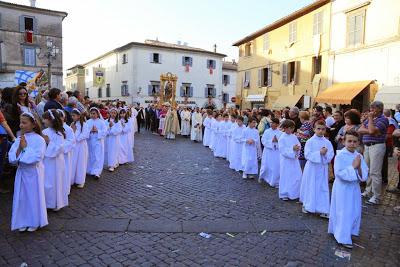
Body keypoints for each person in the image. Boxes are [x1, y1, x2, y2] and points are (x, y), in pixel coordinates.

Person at [328, 131, 368, 249]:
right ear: (343, 142)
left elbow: (364, 175)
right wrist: (353, 167)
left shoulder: (359, 156)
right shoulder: (340, 156)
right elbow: (339, 174)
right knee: (343, 211)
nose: (352, 144)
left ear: (358, 143)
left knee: (354, 210)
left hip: (354, 188)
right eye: (349, 141)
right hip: (342, 188)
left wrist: (359, 167)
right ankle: (342, 237)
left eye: (355, 141)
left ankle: (347, 230)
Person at [9, 112, 48, 232]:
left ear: (33, 125)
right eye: (20, 122)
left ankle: (34, 221)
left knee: (33, 196)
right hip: (21, 173)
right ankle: (22, 220)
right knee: (21, 197)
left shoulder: (39, 140)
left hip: (33, 173)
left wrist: (25, 148)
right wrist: (20, 147)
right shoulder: (20, 139)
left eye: (24, 123)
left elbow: (37, 157)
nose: (21, 125)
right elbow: (12, 158)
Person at [300, 120, 334, 218]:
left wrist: (325, 155)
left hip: (322, 168)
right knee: (311, 186)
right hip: (312, 168)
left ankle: (323, 208)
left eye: (323, 129)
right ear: (314, 129)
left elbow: (331, 154)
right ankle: (307, 205)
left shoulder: (327, 142)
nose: (320, 131)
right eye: (318, 129)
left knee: (322, 187)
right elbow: (307, 154)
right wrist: (319, 153)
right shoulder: (310, 141)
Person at [358, 101, 388, 205]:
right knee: (367, 169)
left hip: (377, 146)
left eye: (373, 108)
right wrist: (371, 130)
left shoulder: (383, 119)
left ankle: (377, 196)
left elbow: (370, 131)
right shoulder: (371, 119)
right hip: (367, 146)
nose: (371, 110)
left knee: (375, 172)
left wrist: (370, 121)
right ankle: (368, 190)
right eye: (371, 108)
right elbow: (360, 129)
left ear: (380, 109)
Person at [42, 109, 67, 211]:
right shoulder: (44, 132)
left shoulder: (59, 133)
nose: (43, 121)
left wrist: (49, 142)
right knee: (47, 182)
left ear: (51, 120)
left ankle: (56, 202)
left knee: (55, 181)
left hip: (56, 161)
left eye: (45, 119)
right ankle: (48, 202)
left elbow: (60, 148)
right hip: (46, 160)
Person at [278, 119, 302, 201]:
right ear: (284, 128)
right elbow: (282, 150)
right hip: (286, 161)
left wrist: (297, 148)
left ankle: (294, 193)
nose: (291, 130)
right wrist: (292, 149)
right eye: (289, 128)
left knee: (296, 176)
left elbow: (298, 145)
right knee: (286, 176)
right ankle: (284, 193)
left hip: (294, 160)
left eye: (292, 128)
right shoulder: (282, 138)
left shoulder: (294, 136)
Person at [259, 118, 282, 187]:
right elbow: (263, 140)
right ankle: (264, 177)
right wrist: (271, 142)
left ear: (277, 124)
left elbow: (282, 143)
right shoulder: (267, 131)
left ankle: (274, 180)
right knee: (266, 165)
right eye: (271, 123)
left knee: (275, 166)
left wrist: (277, 141)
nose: (272, 124)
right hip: (268, 151)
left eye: (274, 123)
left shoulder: (280, 133)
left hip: (276, 152)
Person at [57, 109, 75, 195]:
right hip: (56, 155)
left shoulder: (68, 129)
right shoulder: (54, 129)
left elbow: (71, 141)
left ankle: (65, 189)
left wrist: (61, 146)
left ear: (64, 118)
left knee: (65, 171)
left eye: (60, 116)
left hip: (65, 154)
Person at [86, 107, 107, 179]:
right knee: (90, 156)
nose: (92, 115)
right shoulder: (88, 122)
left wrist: (97, 131)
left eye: (94, 113)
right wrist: (90, 131)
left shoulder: (101, 122)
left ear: (98, 114)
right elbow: (85, 132)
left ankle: (96, 172)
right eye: (91, 113)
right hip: (90, 141)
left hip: (98, 142)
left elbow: (105, 132)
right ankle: (90, 169)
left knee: (97, 156)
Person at [70, 108, 89, 188]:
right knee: (73, 162)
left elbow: (85, 135)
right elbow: (69, 134)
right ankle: (72, 179)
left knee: (81, 162)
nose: (72, 117)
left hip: (81, 146)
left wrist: (76, 137)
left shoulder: (84, 124)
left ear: (78, 116)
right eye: (72, 116)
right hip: (74, 147)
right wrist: (72, 131)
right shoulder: (72, 124)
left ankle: (80, 180)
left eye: (74, 115)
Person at [382, 109, 398, 184]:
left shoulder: (389, 121)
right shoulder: (390, 120)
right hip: (387, 143)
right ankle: (384, 178)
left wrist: (379, 139)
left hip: (387, 144)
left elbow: (389, 135)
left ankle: (384, 179)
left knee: (384, 162)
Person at [104, 108, 122, 172]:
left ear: (116, 114)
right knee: (108, 151)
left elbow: (119, 130)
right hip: (108, 139)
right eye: (112, 113)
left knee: (114, 151)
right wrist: (109, 129)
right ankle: (109, 163)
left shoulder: (118, 122)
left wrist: (112, 127)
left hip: (114, 139)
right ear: (110, 113)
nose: (113, 114)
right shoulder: (106, 121)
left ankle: (112, 164)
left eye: (115, 113)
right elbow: (105, 130)